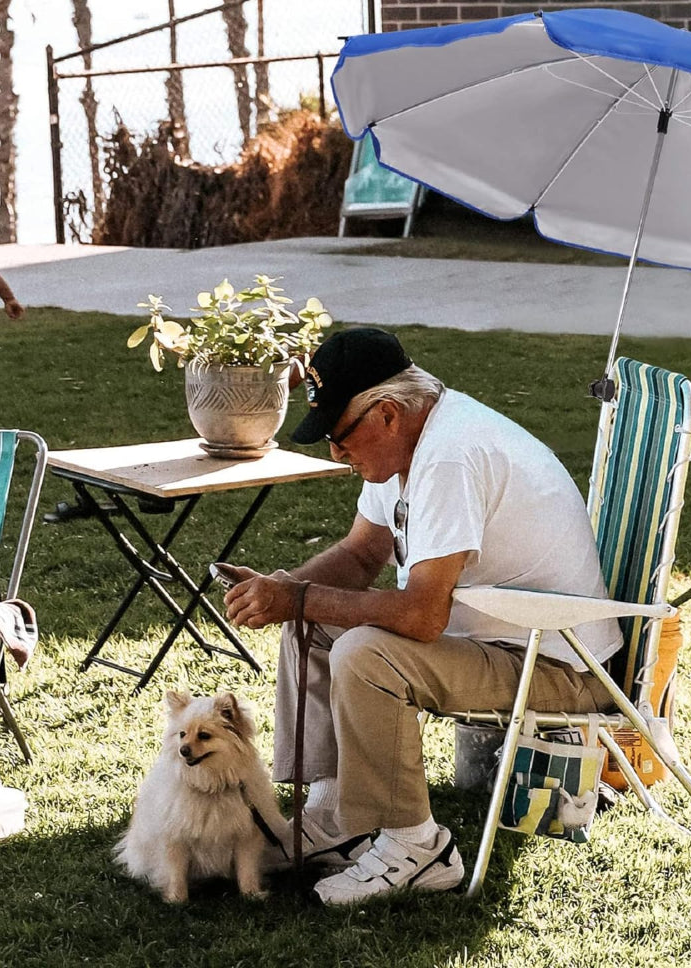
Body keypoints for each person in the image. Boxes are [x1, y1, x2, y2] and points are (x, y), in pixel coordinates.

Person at [222, 327, 621, 906]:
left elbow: (422, 616)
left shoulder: (450, 457)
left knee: (364, 655)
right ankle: (337, 812)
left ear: (386, 414)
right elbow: (361, 554)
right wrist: (286, 589)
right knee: (314, 620)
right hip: (499, 638)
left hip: (560, 665)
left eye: (340, 436)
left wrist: (298, 597)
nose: (336, 452)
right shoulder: (414, 443)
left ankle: (418, 847)